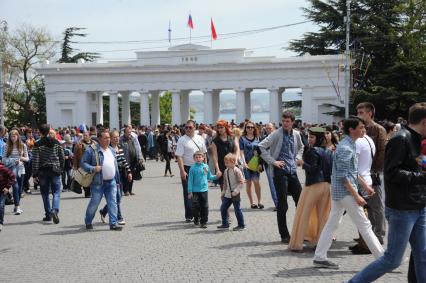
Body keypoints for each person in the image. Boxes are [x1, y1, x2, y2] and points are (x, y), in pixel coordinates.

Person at [348, 103, 426, 283]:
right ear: (424, 121)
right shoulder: (401, 139)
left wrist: (423, 164)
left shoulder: (414, 138)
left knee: (422, 255)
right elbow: (392, 173)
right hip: (402, 209)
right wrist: (421, 176)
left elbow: (414, 162)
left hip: (418, 205)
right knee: (392, 259)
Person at [312, 117, 383, 269]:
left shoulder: (350, 145)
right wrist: (356, 195)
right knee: (364, 225)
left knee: (333, 223)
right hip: (345, 192)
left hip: (342, 191)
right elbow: (343, 175)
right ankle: (383, 260)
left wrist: (365, 186)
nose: (364, 130)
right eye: (361, 127)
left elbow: (353, 171)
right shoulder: (346, 147)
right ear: (352, 130)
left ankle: (319, 256)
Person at [258, 111, 304, 243]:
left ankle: (302, 231)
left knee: (300, 202)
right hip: (280, 171)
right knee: (282, 204)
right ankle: (284, 234)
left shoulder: (296, 134)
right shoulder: (276, 134)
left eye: (287, 121)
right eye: (283, 121)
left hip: (292, 170)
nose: (285, 123)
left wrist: (298, 158)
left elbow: (301, 147)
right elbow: (261, 146)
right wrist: (273, 161)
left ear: (292, 122)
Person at [289, 127, 332, 252]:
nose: (309, 139)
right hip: (326, 186)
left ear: (318, 138)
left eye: (312, 137)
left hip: (313, 185)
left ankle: (297, 244)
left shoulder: (312, 151)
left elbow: (313, 169)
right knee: (322, 216)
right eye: (309, 137)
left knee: (303, 214)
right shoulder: (329, 151)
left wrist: (302, 163)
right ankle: (320, 243)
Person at [356, 102, 387, 250]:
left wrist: (374, 170)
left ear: (370, 113)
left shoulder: (378, 129)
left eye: (361, 112)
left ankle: (379, 235)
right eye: (358, 112)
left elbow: (382, 151)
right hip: (360, 174)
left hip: (373, 172)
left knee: (376, 204)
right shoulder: (358, 129)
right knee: (364, 205)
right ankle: (366, 235)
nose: (359, 115)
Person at [83, 130, 122, 231]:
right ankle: (88, 221)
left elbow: (115, 166)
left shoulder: (111, 150)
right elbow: (83, 163)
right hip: (98, 183)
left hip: (111, 181)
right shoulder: (92, 150)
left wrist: (117, 181)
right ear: (99, 139)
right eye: (105, 138)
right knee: (94, 203)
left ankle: (113, 223)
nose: (108, 140)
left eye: (109, 137)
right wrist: (93, 168)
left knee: (112, 202)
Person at [175, 120, 207, 222]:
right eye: (186, 127)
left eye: (190, 127)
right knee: (188, 191)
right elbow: (179, 156)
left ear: (194, 128)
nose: (188, 129)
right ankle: (189, 215)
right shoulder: (182, 140)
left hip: (200, 167)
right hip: (187, 168)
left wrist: (205, 167)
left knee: (200, 191)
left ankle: (199, 213)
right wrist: (182, 171)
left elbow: (204, 154)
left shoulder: (200, 138)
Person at [32, 124, 65, 224]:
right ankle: (55, 210)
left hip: (43, 171)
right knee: (56, 192)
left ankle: (48, 214)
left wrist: (34, 174)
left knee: (45, 194)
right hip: (55, 170)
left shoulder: (37, 144)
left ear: (40, 132)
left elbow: (35, 160)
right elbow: (62, 157)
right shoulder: (56, 142)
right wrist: (61, 168)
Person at [99, 130, 132, 226]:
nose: (117, 138)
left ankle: (104, 211)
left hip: (121, 175)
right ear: (110, 138)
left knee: (118, 197)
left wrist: (129, 172)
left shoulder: (120, 148)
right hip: (113, 176)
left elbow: (124, 160)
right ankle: (119, 217)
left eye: (118, 136)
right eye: (114, 137)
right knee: (116, 197)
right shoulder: (108, 149)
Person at [187, 151, 220, 228]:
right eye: (196, 157)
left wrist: (216, 176)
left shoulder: (205, 167)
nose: (198, 159)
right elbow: (190, 180)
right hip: (195, 191)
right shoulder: (192, 168)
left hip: (204, 190)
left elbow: (209, 177)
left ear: (203, 158)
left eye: (200, 157)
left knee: (205, 206)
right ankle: (196, 218)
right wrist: (190, 191)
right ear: (194, 158)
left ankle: (203, 222)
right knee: (195, 207)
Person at [3, 129, 29, 215]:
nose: (13, 138)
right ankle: (17, 207)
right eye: (11, 136)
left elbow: (27, 158)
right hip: (11, 171)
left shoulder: (23, 145)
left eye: (14, 136)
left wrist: (21, 159)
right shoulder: (7, 146)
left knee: (20, 189)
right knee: (15, 187)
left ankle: (16, 205)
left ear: (18, 136)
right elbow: (3, 159)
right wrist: (14, 160)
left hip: (21, 170)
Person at [217, 153, 245, 231]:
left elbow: (241, 182)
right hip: (228, 193)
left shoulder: (237, 171)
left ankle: (241, 225)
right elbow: (225, 183)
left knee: (237, 209)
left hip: (235, 193)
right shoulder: (226, 171)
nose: (225, 164)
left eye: (227, 162)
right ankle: (225, 223)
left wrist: (236, 191)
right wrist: (223, 191)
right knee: (223, 208)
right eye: (225, 162)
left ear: (233, 162)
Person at [239, 121, 263, 209]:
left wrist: (261, 163)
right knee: (248, 183)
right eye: (248, 127)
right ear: (245, 128)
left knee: (256, 181)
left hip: (256, 164)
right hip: (247, 164)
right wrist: (243, 162)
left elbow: (261, 151)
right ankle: (252, 202)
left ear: (254, 128)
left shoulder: (257, 138)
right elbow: (241, 152)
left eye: (251, 127)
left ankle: (259, 201)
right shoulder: (242, 139)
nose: (250, 129)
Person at [120, 125, 144, 196]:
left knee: (132, 176)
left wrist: (140, 157)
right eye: (128, 132)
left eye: (130, 132)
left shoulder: (133, 139)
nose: (129, 134)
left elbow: (138, 148)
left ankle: (130, 190)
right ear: (124, 133)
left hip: (133, 160)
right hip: (125, 161)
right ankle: (126, 190)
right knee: (126, 176)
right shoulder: (121, 140)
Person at [73, 131, 97, 198]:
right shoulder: (79, 144)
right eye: (84, 135)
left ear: (90, 136)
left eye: (86, 135)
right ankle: (87, 192)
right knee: (86, 178)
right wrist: (75, 166)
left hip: (93, 164)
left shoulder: (95, 143)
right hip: (83, 164)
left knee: (93, 178)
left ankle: (93, 192)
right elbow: (75, 156)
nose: (85, 136)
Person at [261, 123, 278, 209]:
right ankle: (277, 204)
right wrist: (260, 164)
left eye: (270, 128)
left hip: (279, 164)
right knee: (272, 185)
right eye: (267, 129)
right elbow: (259, 152)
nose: (268, 130)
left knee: (280, 184)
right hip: (268, 165)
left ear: (274, 129)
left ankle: (281, 202)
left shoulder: (279, 138)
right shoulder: (263, 139)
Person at [0, 162, 16, 232]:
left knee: (1, 206)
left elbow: (13, 177)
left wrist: (7, 187)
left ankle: (0, 222)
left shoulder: (3, 169)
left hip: (2, 191)